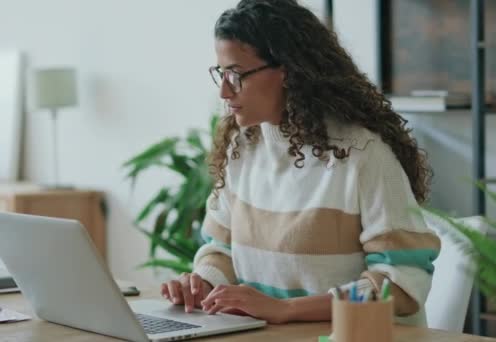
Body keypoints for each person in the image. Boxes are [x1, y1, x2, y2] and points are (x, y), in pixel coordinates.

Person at [160, 0, 439, 326]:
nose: (224, 91)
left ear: (289, 71)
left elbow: (402, 282)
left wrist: (287, 310)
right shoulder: (243, 147)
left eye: (235, 75)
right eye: (220, 74)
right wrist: (202, 282)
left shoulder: (362, 154)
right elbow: (220, 249)